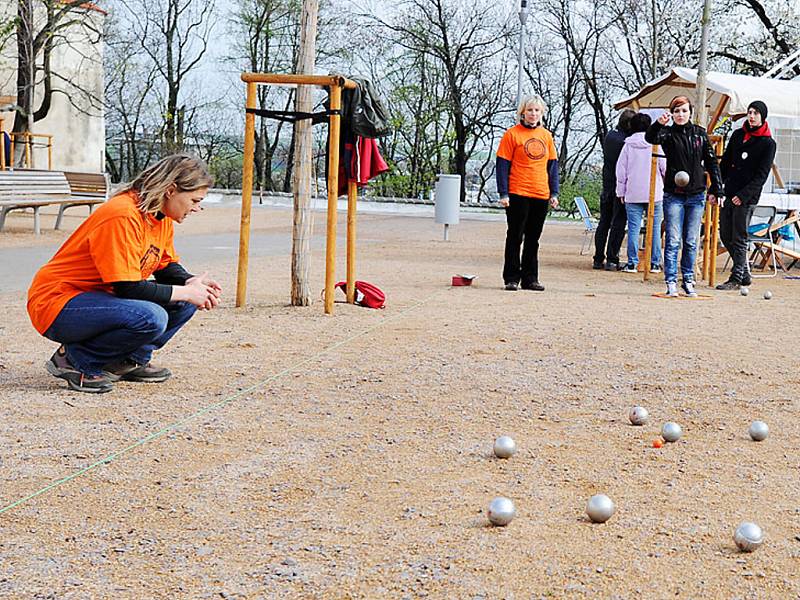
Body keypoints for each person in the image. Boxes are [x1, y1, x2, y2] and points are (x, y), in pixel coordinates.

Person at [27, 154, 222, 393]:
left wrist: (190, 282)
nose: (197, 208)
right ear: (171, 190)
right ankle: (75, 360)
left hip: (101, 300)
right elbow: (126, 286)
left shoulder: (160, 216)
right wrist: (186, 291)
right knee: (152, 316)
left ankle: (126, 361)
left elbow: (164, 265)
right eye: (194, 200)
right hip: (58, 303)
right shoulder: (122, 214)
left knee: (184, 302)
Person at [645, 96, 722, 297]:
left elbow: (712, 162)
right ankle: (671, 281)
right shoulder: (668, 134)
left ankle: (688, 279)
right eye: (677, 111)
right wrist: (657, 124)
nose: (680, 115)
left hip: (696, 195)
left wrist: (717, 189)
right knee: (673, 240)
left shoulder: (700, 135)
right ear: (672, 114)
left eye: (684, 111)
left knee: (690, 240)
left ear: (690, 113)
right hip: (673, 195)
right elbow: (650, 138)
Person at [496, 94, 559, 291]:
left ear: (542, 113)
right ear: (522, 112)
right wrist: (503, 193)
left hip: (540, 193)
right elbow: (502, 166)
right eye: (529, 110)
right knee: (515, 236)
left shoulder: (546, 137)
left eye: (537, 110)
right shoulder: (512, 135)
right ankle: (512, 277)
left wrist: (554, 193)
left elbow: (553, 167)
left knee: (534, 238)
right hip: (517, 192)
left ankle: (530, 278)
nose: (533, 114)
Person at [716, 100, 777, 290]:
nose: (751, 116)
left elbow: (761, 176)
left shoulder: (768, 143)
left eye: (756, 113)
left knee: (739, 236)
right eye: (750, 112)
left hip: (747, 197)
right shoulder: (737, 135)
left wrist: (742, 195)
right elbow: (724, 164)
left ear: (762, 117)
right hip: (729, 192)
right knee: (725, 234)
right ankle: (744, 272)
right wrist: (716, 189)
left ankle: (736, 278)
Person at [615, 112, 666, 273]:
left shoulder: (628, 145)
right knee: (655, 228)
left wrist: (620, 192)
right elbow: (664, 168)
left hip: (633, 193)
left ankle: (632, 263)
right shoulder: (656, 144)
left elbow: (621, 171)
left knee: (633, 228)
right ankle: (655, 263)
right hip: (655, 192)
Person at [593, 108, 636, 271]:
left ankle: (598, 258)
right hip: (620, 186)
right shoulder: (626, 142)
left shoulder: (610, 136)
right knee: (618, 223)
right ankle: (612, 258)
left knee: (604, 223)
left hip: (607, 185)